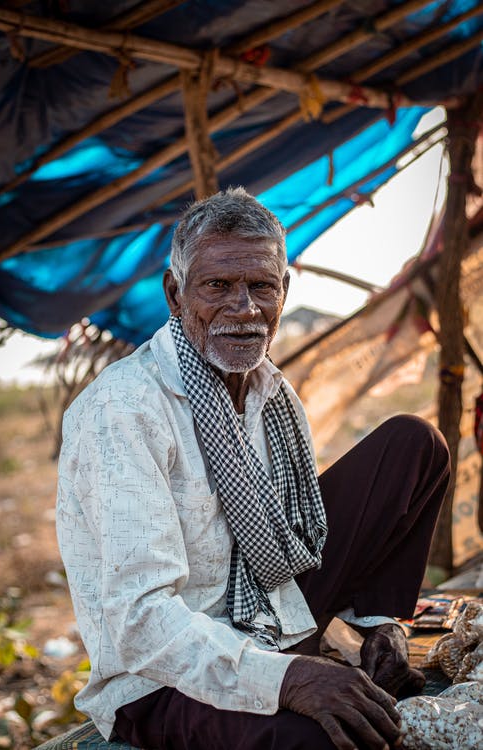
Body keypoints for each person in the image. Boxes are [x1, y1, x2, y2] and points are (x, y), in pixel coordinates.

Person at [57, 187, 450, 750]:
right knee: (327, 739)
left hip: (269, 609)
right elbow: (140, 622)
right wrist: (290, 677)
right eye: (217, 286)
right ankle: (294, 665)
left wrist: (375, 623)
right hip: (159, 678)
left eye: (261, 287)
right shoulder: (123, 410)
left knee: (415, 444)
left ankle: (378, 634)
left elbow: (296, 533)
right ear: (175, 293)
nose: (244, 310)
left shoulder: (271, 392)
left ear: (283, 291)